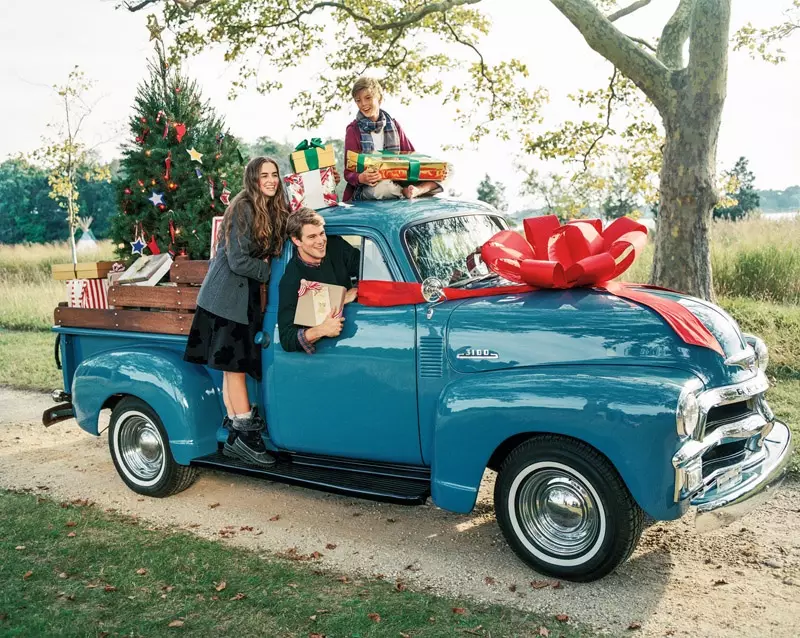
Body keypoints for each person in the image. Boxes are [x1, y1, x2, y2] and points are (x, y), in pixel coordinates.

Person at [184, 156, 289, 467]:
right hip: (226, 297)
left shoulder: (272, 207)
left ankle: (233, 430)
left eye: (274, 175)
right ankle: (244, 436)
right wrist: (268, 271)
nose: (270, 180)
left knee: (234, 367)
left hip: (245, 298)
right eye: (264, 176)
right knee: (235, 365)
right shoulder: (242, 207)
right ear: (252, 180)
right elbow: (237, 260)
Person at [343, 76, 441, 202]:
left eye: (368, 98)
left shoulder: (394, 125)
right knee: (383, 187)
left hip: (399, 180)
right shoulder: (353, 130)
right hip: (371, 186)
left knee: (447, 169)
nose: (363, 104)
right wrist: (361, 178)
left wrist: (429, 169)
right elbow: (348, 172)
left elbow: (412, 156)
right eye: (358, 100)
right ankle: (405, 192)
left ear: (380, 99)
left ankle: (417, 190)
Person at [278, 208, 359, 354]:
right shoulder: (291, 279)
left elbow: (368, 267)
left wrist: (358, 289)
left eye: (322, 233)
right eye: (312, 237)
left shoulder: (336, 246)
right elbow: (286, 338)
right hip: (327, 354)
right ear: (297, 240)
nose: (320, 241)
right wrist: (321, 330)